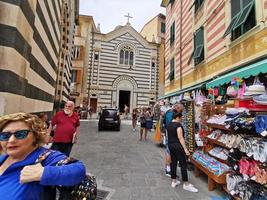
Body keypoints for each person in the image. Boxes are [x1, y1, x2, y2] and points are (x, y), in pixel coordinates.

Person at [0, 112, 86, 199]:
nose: (11, 140)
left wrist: (43, 173)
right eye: (5, 136)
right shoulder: (3, 158)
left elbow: (78, 170)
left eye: (20, 134)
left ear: (35, 135)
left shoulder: (44, 157)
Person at [166, 112, 198, 192]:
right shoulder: (178, 125)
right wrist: (185, 149)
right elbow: (180, 138)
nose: (182, 119)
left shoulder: (169, 124)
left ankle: (174, 181)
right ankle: (186, 184)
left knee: (173, 163)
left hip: (170, 145)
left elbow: (168, 136)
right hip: (178, 146)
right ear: (177, 117)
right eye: (181, 118)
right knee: (183, 164)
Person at [163, 103, 184, 177]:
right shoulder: (170, 114)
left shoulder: (170, 112)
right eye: (181, 110)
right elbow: (170, 126)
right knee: (169, 153)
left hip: (170, 136)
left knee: (169, 152)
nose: (181, 112)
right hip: (170, 137)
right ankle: (168, 170)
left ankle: (169, 169)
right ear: (177, 108)